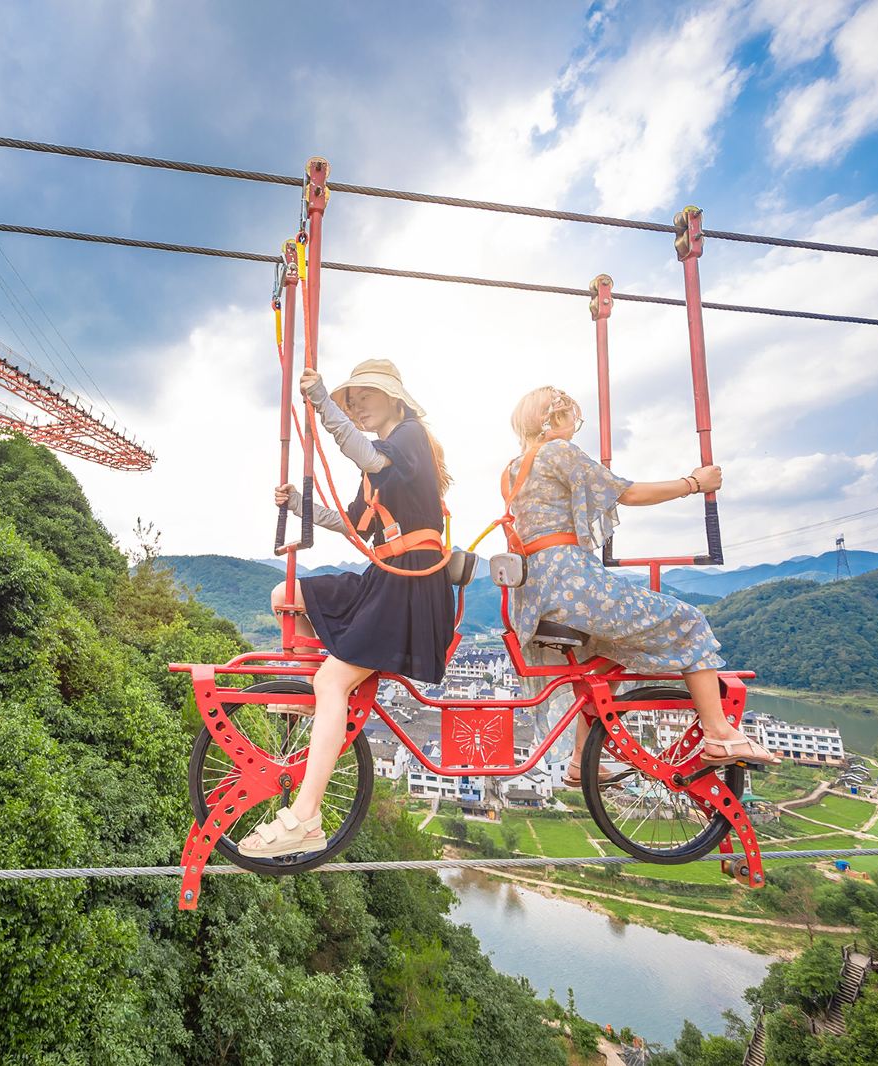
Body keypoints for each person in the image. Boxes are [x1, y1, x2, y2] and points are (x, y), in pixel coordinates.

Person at [501, 385, 780, 786]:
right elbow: (627, 493)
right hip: (571, 583)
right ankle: (719, 733)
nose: (575, 427)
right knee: (689, 621)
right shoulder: (558, 451)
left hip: (534, 594)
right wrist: (694, 482)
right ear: (554, 417)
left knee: (599, 663)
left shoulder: (512, 470)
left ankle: (582, 758)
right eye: (573, 418)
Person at [239, 358, 455, 857]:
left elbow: (367, 456)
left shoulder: (409, 437)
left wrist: (322, 404)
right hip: (386, 576)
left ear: (394, 398)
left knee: (333, 682)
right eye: (350, 401)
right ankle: (320, 694)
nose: (356, 407)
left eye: (363, 397)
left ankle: (306, 816)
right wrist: (300, 505)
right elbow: (352, 523)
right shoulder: (381, 465)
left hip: (411, 581)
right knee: (285, 596)